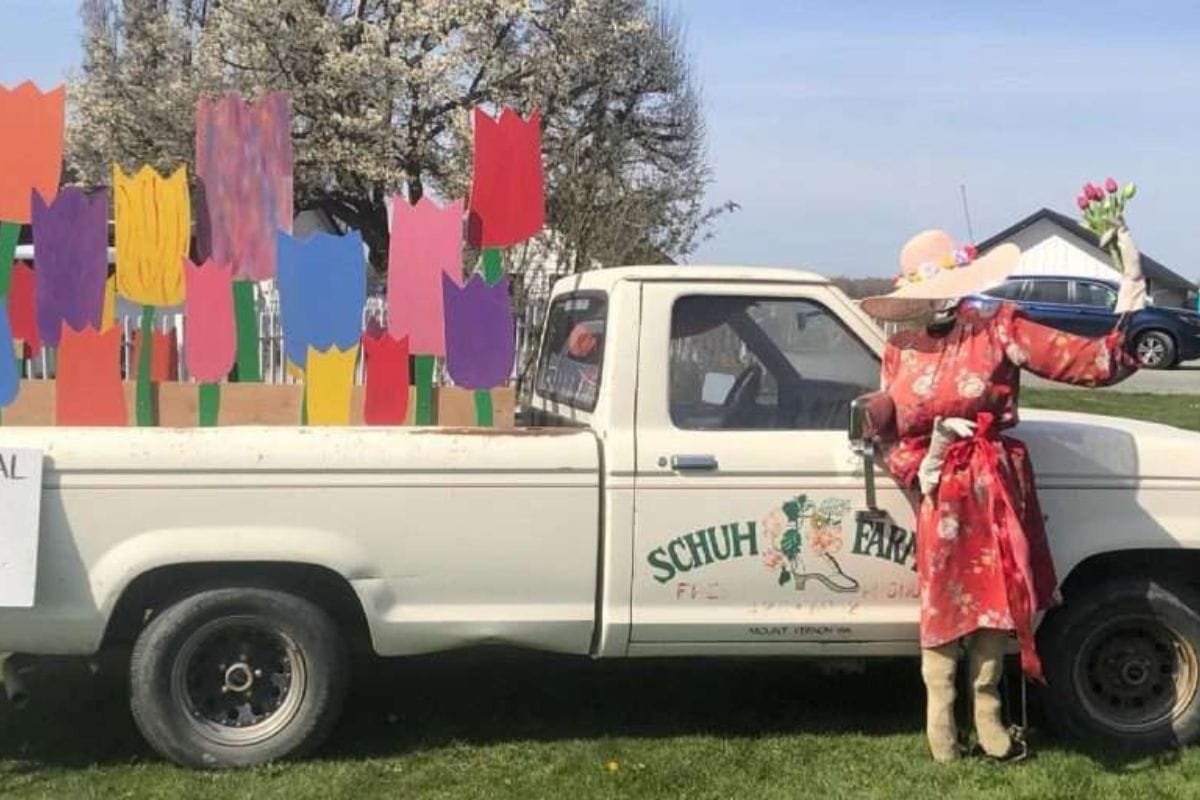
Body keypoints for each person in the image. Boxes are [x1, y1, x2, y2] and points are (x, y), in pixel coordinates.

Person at [859, 225, 1146, 762]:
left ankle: (990, 720)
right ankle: (940, 727)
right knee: (942, 603)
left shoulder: (997, 327)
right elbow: (891, 428)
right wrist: (919, 466)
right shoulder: (900, 346)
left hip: (991, 483)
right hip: (939, 490)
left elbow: (1086, 361)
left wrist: (1129, 292)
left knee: (994, 599)